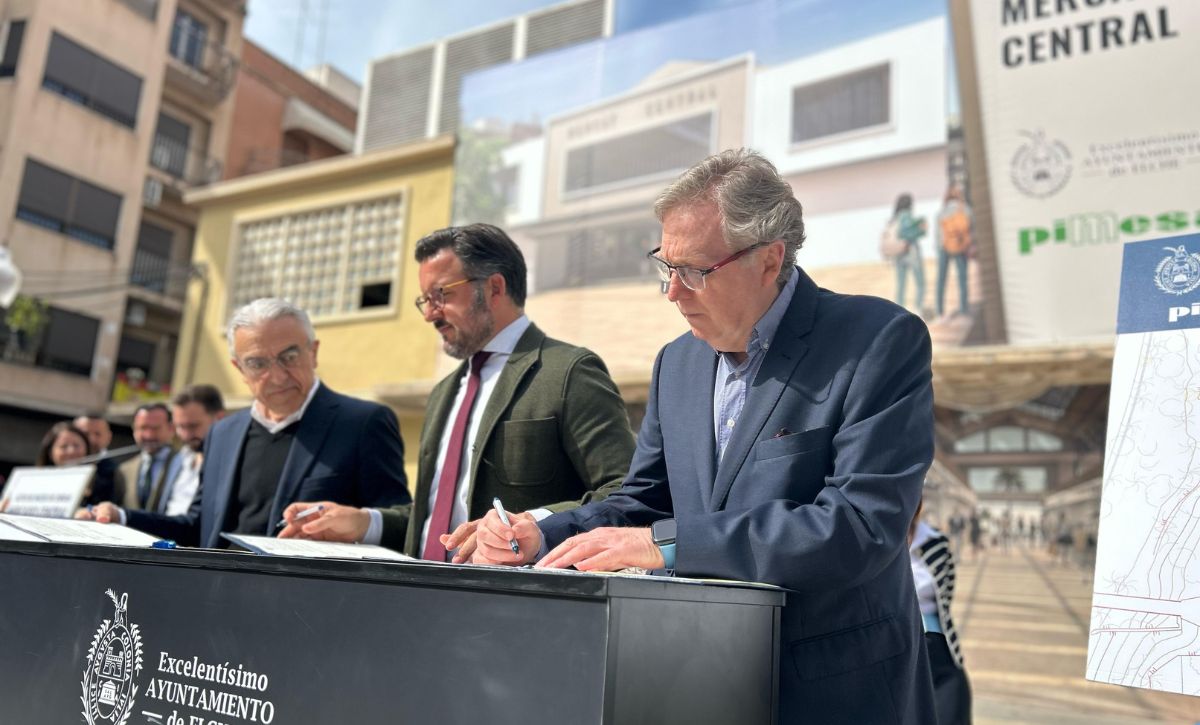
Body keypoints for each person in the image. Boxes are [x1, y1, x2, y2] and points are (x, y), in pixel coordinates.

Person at [473, 149, 937, 723]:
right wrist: (543, 533)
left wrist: (668, 545)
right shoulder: (677, 363)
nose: (673, 292)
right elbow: (644, 502)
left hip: (836, 692)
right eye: (665, 267)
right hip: (696, 682)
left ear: (769, 259)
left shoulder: (876, 340)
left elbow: (860, 526)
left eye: (694, 271)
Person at [280, 224, 635, 561]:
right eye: (425, 300)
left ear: (494, 288)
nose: (429, 314)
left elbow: (623, 492)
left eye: (441, 295)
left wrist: (533, 524)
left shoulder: (568, 372)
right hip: (421, 592)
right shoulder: (444, 393)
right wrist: (364, 522)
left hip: (512, 597)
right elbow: (440, 524)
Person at [81, 298, 411, 548]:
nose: (277, 375)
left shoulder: (363, 424)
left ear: (313, 352)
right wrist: (122, 517)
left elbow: (399, 527)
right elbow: (199, 527)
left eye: (289, 356)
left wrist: (357, 524)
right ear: (239, 369)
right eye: (257, 363)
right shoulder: (223, 433)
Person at [910, 502, 972, 725]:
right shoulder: (875, 541)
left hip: (937, 643)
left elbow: (945, 595)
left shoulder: (936, 542)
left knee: (952, 706)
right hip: (896, 646)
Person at [163, 384, 226, 517]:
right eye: (180, 426)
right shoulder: (179, 459)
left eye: (193, 426)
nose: (186, 435)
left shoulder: (229, 465)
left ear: (219, 418)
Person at [116, 403, 182, 513]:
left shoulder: (185, 464)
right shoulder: (124, 470)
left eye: (155, 428)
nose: (149, 435)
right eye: (143, 428)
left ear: (171, 429)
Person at [935, 185, 972, 320]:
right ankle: (963, 310)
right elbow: (970, 228)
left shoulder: (942, 211)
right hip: (960, 246)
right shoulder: (965, 209)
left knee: (941, 279)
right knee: (962, 279)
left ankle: (940, 312)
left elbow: (938, 233)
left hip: (944, 246)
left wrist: (939, 247)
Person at [73, 413, 125, 505]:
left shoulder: (118, 471)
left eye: (97, 434)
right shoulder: (61, 465)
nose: (91, 439)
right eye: (85, 434)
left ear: (109, 437)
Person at [890, 192, 928, 315]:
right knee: (920, 282)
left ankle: (898, 311)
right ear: (909, 204)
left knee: (901, 284)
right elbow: (907, 233)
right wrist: (921, 230)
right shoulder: (906, 216)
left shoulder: (895, 218)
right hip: (911, 252)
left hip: (899, 254)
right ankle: (918, 309)